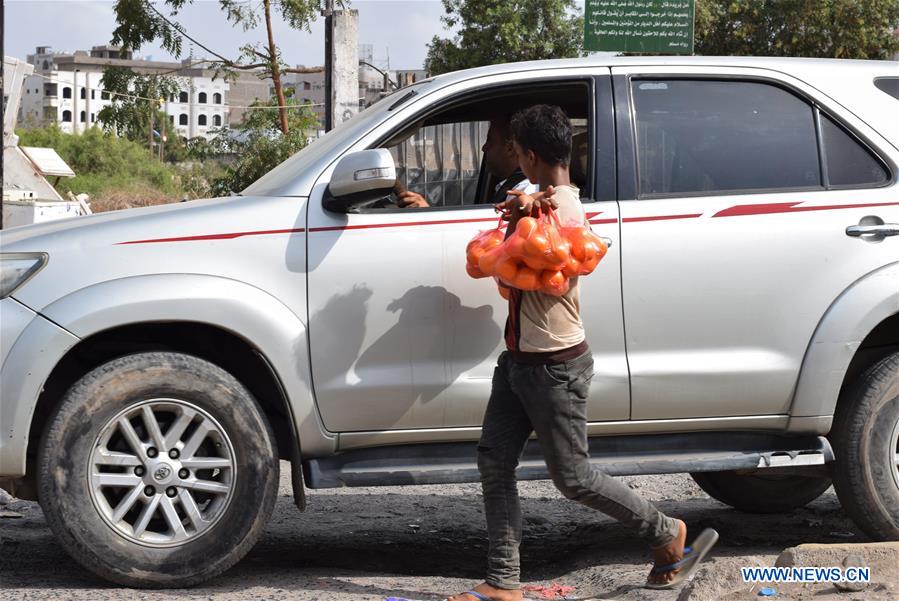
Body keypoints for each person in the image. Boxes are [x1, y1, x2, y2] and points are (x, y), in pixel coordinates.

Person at [447, 105, 717, 601]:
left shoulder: (565, 214)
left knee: (573, 478)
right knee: (494, 462)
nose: (516, 163)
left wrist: (519, 226)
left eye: (517, 153)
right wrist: (519, 215)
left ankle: (665, 532)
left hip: (554, 366)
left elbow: (522, 270)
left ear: (530, 156)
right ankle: (503, 582)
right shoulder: (540, 204)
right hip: (519, 360)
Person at [395, 116, 537, 208]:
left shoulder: (522, 191)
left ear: (510, 148)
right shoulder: (507, 187)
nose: (484, 147)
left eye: (490, 141)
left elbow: (492, 237)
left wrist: (427, 213)